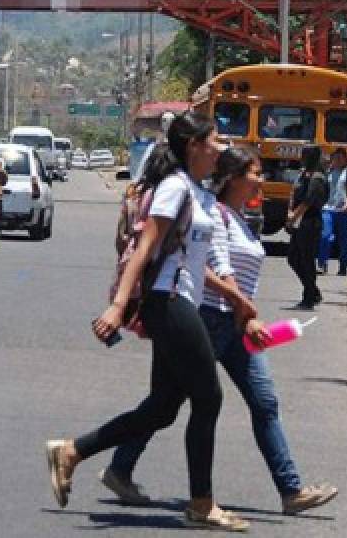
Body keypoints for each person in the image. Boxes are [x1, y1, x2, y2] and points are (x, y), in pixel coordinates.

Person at [102, 147, 340, 516]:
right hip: (208, 320)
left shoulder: (241, 219)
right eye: (255, 172)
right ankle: (117, 466)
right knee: (167, 403)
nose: (261, 180)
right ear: (233, 178)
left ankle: (291, 490)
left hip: (237, 325)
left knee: (264, 403)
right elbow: (204, 270)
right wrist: (241, 303)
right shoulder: (213, 215)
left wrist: (246, 314)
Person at [44, 112, 249, 532]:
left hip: (177, 301)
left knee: (161, 409)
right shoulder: (175, 188)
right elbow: (144, 248)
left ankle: (72, 452)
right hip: (168, 301)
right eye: (215, 142)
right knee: (208, 397)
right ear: (194, 146)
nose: (220, 150)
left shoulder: (192, 188)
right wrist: (118, 306)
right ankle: (202, 503)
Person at [287, 145, 328, 309]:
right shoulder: (303, 174)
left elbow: (309, 201)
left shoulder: (318, 177)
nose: (302, 157)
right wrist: (289, 213)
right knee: (293, 258)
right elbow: (293, 193)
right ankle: (312, 289)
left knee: (306, 259)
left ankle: (309, 297)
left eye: (306, 155)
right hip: (299, 220)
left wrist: (294, 216)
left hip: (310, 221)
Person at [318, 148, 347, 276]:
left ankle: (343, 265)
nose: (338, 160)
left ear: (345, 160)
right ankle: (322, 262)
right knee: (325, 236)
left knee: (344, 241)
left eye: (341, 158)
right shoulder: (328, 173)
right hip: (328, 209)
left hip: (344, 211)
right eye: (335, 158)